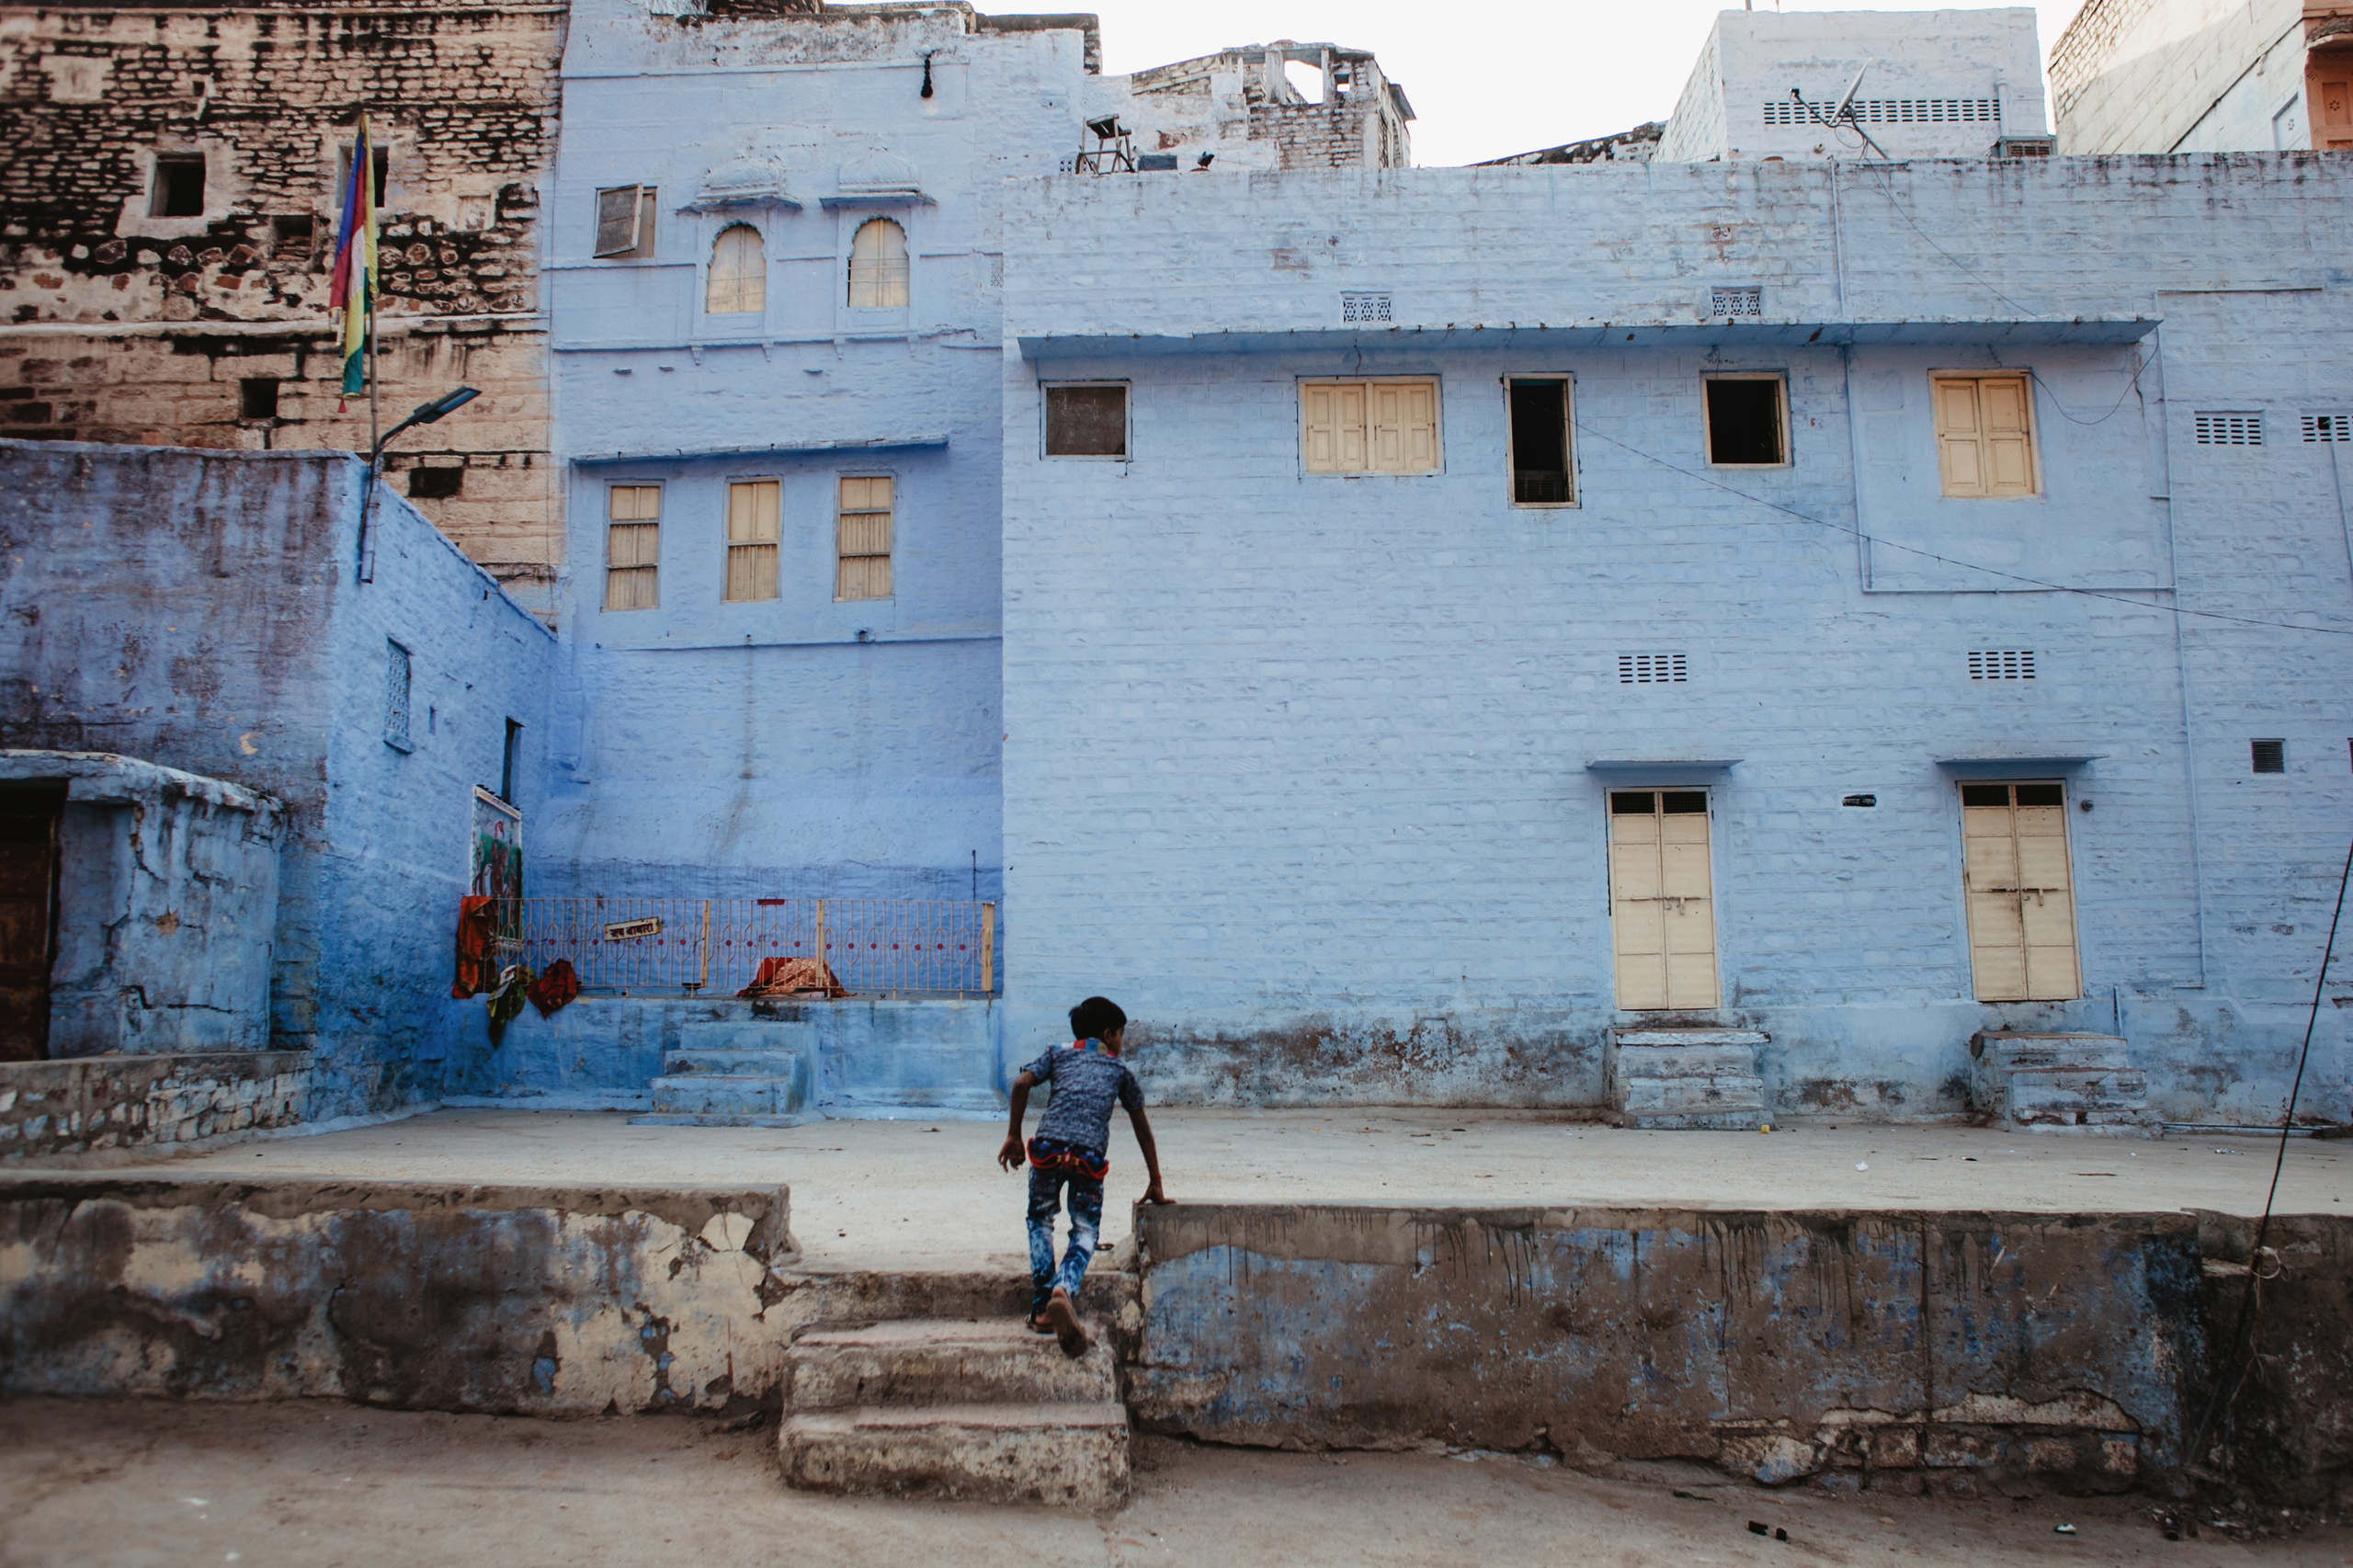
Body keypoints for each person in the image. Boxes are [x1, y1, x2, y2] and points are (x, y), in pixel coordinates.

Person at [996, 995, 1169, 1356]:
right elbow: (1143, 1129)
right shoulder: (1120, 1071)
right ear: (1109, 1035)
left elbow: (1020, 1085)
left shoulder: (1056, 1053)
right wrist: (1155, 1179)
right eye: (1122, 1035)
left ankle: (1043, 1307)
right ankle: (1065, 1288)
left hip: (1046, 1150)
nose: (1123, 1042)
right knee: (1086, 1229)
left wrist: (1014, 1135)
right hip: (1088, 1158)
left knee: (1040, 1221)